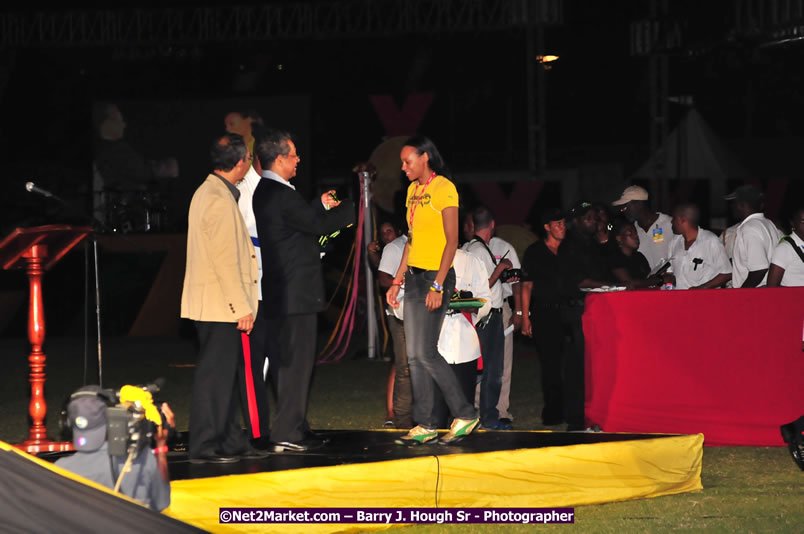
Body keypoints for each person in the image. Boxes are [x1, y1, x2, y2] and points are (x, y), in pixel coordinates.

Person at [253, 129, 354, 452]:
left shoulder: (267, 191)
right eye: (294, 155)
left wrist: (316, 205)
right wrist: (358, 206)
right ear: (280, 158)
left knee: (287, 363)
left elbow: (297, 223)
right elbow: (317, 225)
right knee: (297, 365)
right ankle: (286, 432)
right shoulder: (281, 193)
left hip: (281, 293)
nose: (298, 160)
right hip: (296, 294)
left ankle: (293, 426)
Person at [386, 135, 479, 446]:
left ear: (425, 157)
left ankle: (466, 412)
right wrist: (397, 281)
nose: (403, 167)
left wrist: (439, 284)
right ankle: (425, 423)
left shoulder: (444, 188)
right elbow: (410, 241)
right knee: (413, 356)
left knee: (425, 352)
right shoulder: (412, 191)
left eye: (407, 161)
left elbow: (452, 240)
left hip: (435, 278)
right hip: (413, 278)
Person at [180, 132, 267, 463]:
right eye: (247, 158)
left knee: (227, 376)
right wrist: (240, 307)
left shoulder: (214, 192)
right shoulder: (216, 198)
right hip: (220, 305)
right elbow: (224, 260)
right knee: (214, 377)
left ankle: (231, 442)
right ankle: (204, 446)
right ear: (241, 162)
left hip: (218, 303)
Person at [226, 111, 272, 447]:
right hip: (250, 287)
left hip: (273, 285)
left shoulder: (277, 189)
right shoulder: (240, 192)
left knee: (271, 359)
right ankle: (256, 431)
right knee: (250, 364)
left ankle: (278, 424)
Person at [54, 386, 172, 512]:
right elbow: (162, 503)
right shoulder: (139, 460)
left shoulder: (59, 469)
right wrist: (160, 447)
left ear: (66, 423)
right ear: (113, 419)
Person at [462, 205, 516, 430]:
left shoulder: (476, 248)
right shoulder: (478, 251)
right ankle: (488, 417)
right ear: (492, 224)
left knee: (490, 369)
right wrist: (501, 268)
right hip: (487, 317)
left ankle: (486, 415)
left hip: (487, 315)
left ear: (473, 224)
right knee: (491, 370)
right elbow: (481, 287)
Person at [430, 249, 492, 429]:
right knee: (433, 417)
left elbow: (487, 301)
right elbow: (403, 306)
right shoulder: (421, 259)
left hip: (464, 348)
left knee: (463, 419)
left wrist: (473, 307)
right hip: (432, 346)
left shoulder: (471, 260)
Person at [520, 208, 567, 426]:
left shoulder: (570, 249)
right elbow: (526, 285)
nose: (562, 227)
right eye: (557, 223)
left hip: (569, 311)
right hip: (544, 313)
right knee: (550, 364)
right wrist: (525, 316)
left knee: (570, 363)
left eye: (563, 223)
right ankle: (553, 411)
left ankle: (573, 408)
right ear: (547, 227)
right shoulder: (534, 252)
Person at [376, 219, 411, 429]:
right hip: (399, 313)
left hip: (422, 313)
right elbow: (383, 278)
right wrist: (402, 283)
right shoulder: (394, 247)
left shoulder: (426, 244)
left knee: (415, 364)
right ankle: (396, 415)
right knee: (402, 366)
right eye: (383, 232)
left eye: (390, 230)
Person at [727, 185, 784, 288]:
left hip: (757, 292)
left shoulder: (749, 228)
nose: (731, 207)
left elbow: (759, 269)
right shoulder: (768, 223)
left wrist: (741, 295)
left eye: (733, 203)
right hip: (768, 290)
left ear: (741, 205)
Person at [666, 203, 732, 289]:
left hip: (703, 300)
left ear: (682, 220)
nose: (671, 222)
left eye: (674, 218)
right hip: (679, 299)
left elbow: (727, 274)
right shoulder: (674, 242)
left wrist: (702, 288)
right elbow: (670, 272)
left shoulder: (710, 241)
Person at [612, 185, 673, 271]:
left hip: (671, 282)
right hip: (647, 283)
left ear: (639, 204)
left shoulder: (670, 224)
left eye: (626, 207)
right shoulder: (632, 232)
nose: (624, 211)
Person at [606, 217, 660, 289]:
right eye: (630, 233)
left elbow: (648, 279)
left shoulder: (639, 257)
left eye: (636, 233)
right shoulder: (615, 258)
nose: (635, 236)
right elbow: (629, 283)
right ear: (619, 238)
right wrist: (658, 280)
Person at [767, 206, 804, 287]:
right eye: (803, 221)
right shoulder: (784, 248)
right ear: (793, 223)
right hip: (794, 298)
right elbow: (771, 287)